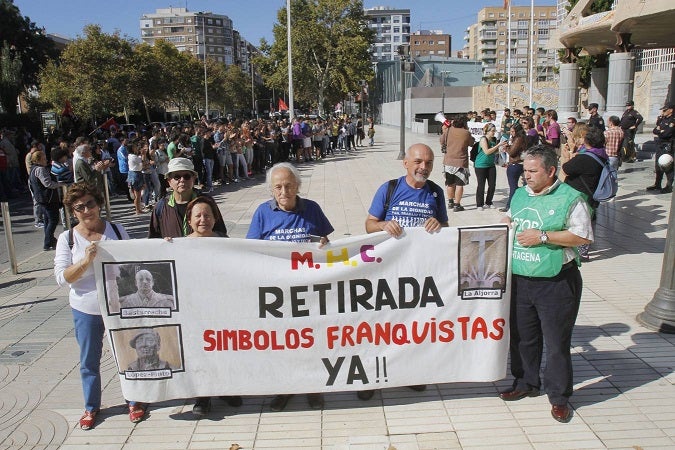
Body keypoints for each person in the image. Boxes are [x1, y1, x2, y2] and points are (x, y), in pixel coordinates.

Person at [499, 144, 593, 424]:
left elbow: (584, 237)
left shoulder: (571, 198)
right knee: (523, 337)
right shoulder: (518, 194)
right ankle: (525, 382)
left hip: (556, 282)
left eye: (532, 170)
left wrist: (543, 237)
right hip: (521, 279)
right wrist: (506, 220)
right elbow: (512, 218)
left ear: (551, 171)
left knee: (556, 343)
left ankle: (559, 398)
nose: (525, 175)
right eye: (525, 170)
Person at [53, 183, 147, 429]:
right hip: (85, 308)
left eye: (90, 204)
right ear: (73, 213)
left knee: (126, 355)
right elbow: (62, 278)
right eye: (79, 207)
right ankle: (91, 406)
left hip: (118, 306)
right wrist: (86, 261)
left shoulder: (116, 230)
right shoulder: (68, 238)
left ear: (99, 204)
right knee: (89, 360)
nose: (87, 210)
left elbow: (134, 261)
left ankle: (134, 400)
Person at [360, 143, 448, 400]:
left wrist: (438, 224)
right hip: (387, 272)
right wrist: (384, 224)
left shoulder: (435, 193)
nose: (424, 167)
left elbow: (444, 226)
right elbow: (368, 225)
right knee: (380, 327)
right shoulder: (389, 189)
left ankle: (411, 374)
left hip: (419, 274)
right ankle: (370, 378)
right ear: (406, 163)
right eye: (419, 161)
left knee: (413, 327)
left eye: (429, 163)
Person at [247, 162, 333, 411]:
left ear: (298, 186)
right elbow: (251, 251)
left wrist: (325, 244)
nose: (283, 191)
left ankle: (314, 387)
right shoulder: (263, 212)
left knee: (312, 340)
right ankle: (285, 388)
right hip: (278, 294)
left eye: (288, 185)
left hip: (308, 289)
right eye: (278, 187)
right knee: (283, 343)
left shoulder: (312, 209)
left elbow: (328, 244)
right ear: (271, 190)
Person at [148, 157, 227, 239]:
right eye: (177, 177)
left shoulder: (207, 203)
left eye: (186, 176)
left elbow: (221, 233)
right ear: (169, 181)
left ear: (193, 178)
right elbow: (153, 240)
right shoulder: (160, 207)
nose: (182, 180)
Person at [561, 127, 608, 261]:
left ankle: (581, 251)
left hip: (580, 195)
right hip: (593, 193)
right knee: (590, 220)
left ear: (587, 140)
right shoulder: (601, 154)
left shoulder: (585, 158)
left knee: (579, 221)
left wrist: (566, 156)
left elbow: (566, 169)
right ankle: (584, 250)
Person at [28, 151, 64, 251]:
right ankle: (48, 242)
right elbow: (48, 183)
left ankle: (50, 241)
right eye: (44, 159)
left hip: (42, 198)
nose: (46, 160)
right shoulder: (40, 169)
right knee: (53, 220)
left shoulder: (33, 169)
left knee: (48, 220)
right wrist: (61, 184)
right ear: (38, 160)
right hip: (48, 198)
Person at [440, 116, 474, 212]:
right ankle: (457, 205)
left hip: (448, 162)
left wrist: (444, 131)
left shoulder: (449, 130)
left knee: (450, 183)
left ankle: (450, 202)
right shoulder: (466, 133)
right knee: (460, 184)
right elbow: (471, 143)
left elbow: (441, 141)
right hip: (461, 162)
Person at [474, 123, 506, 210]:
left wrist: (500, 150)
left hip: (491, 164)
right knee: (481, 185)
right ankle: (479, 204)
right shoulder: (483, 139)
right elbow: (487, 152)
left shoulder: (494, 139)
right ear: (487, 131)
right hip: (481, 165)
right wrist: (498, 145)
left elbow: (493, 152)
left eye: (494, 131)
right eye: (492, 131)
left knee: (492, 185)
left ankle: (489, 202)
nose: (494, 133)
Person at [647, 102, 675, 194]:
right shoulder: (662, 119)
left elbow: (668, 133)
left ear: (671, 110)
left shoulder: (673, 120)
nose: (663, 112)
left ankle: (669, 185)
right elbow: (655, 130)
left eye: (665, 110)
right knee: (658, 165)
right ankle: (657, 184)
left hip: (668, 145)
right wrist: (660, 131)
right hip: (660, 144)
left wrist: (661, 131)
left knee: (668, 164)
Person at [500, 122, 527, 212]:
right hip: (521, 163)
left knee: (513, 187)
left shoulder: (518, 139)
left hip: (516, 164)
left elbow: (512, 152)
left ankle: (510, 206)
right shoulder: (520, 138)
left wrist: (507, 147)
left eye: (513, 131)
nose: (511, 133)